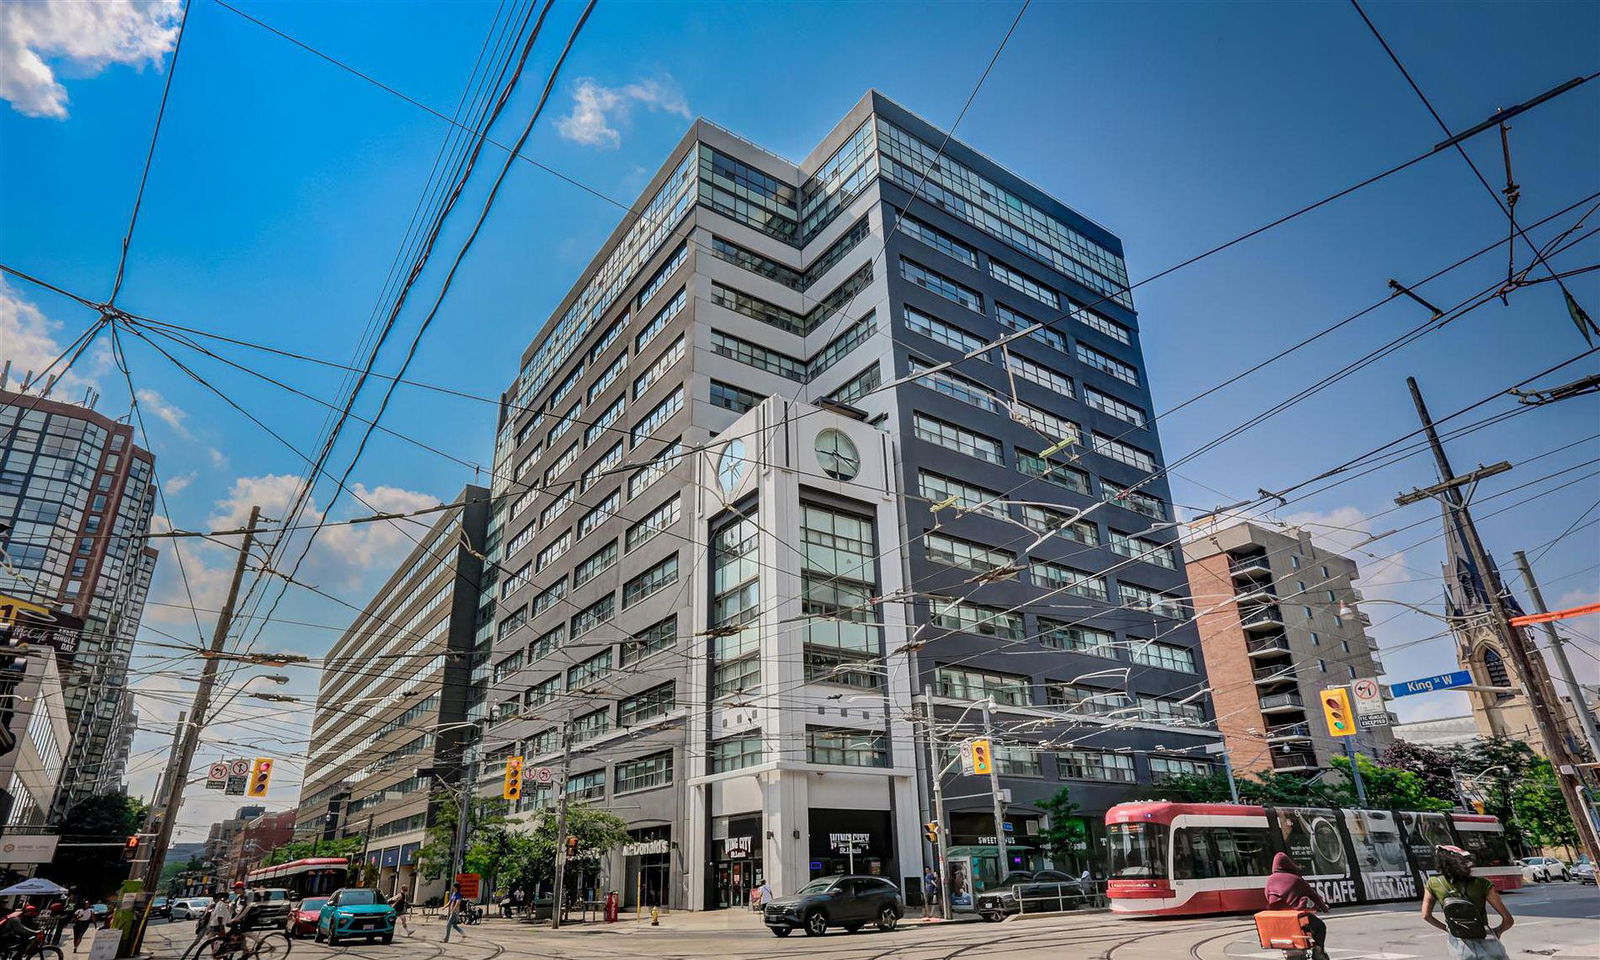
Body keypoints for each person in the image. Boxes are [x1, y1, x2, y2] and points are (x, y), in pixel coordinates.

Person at [1422, 844, 1513, 960]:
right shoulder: (1482, 883)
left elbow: (1426, 915)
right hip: (1486, 939)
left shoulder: (1433, 883)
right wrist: (1497, 932)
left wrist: (1448, 929)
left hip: (1460, 946)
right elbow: (1508, 920)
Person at [1264, 853, 1330, 960]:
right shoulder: (1296, 879)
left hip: (1278, 921)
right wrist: (1324, 908)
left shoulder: (1270, 880)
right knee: (1320, 926)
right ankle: (1318, 951)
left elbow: (1267, 896)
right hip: (1295, 918)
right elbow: (1314, 896)